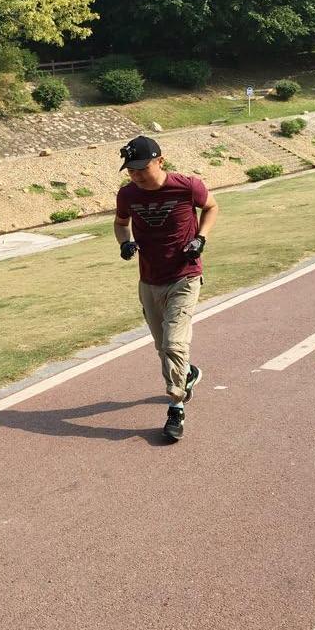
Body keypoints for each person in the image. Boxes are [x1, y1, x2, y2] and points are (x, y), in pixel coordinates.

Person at [113, 135, 218, 442]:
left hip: (184, 276)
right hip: (149, 280)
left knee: (173, 344)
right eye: (130, 170)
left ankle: (176, 407)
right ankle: (188, 374)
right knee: (164, 348)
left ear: (160, 161)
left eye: (141, 168)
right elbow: (121, 223)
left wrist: (201, 238)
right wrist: (125, 242)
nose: (136, 175)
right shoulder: (128, 194)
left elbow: (211, 207)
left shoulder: (187, 186)